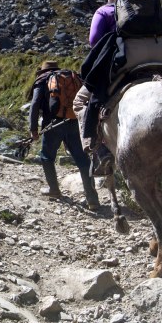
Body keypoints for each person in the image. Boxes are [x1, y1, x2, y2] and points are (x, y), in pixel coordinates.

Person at [74, 0, 162, 175]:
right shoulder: (152, 8)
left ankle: (99, 150)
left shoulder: (106, 10)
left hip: (128, 56)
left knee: (81, 101)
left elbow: (94, 40)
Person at [28, 60, 100, 210]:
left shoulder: (42, 80)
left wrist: (33, 129)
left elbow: (34, 104)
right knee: (83, 160)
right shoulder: (71, 78)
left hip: (52, 124)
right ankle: (92, 199)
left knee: (47, 157)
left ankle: (54, 190)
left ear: (42, 71)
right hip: (74, 122)